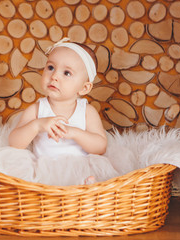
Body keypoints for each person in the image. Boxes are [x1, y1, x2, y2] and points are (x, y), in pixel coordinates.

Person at [9, 39, 117, 185]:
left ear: (84, 88)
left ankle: (86, 189)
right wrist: (37, 125)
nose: (54, 76)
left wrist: (75, 133)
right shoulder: (37, 110)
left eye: (66, 73)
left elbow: (100, 147)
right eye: (51, 67)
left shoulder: (86, 112)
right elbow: (14, 143)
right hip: (44, 170)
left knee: (93, 179)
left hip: (79, 167)